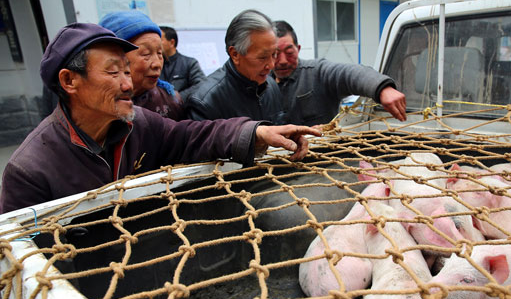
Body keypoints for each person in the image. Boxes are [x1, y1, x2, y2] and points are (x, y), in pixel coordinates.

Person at [0, 23, 320, 214]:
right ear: (69, 81)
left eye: (127, 71)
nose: (128, 84)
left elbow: (190, 135)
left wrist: (257, 133)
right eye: (113, 72)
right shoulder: (29, 171)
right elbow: (22, 262)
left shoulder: (138, 123)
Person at [273, 20, 407, 126]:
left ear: (298, 49)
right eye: (276, 54)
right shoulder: (264, 84)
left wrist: (381, 88)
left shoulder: (317, 72)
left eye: (289, 53)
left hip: (321, 151)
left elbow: (348, 74)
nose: (283, 61)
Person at [186, 9, 284, 123]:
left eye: (274, 54)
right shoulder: (205, 102)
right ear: (235, 54)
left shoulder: (271, 85)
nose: (271, 65)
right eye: (262, 57)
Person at [99, 11, 186, 121]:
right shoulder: (95, 106)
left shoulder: (171, 100)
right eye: (146, 54)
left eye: (160, 53)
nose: (157, 64)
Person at [159, 26, 206, 102]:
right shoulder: (155, 64)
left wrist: (177, 98)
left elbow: (200, 84)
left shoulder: (189, 63)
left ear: (172, 42)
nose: (156, 43)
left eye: (159, 40)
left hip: (184, 106)